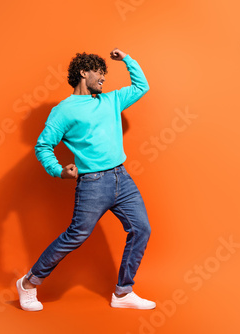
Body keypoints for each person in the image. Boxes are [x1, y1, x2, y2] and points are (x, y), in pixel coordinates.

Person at [16, 48, 155, 311]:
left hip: (122, 178)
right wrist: (58, 170)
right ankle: (28, 283)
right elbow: (43, 145)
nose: (103, 78)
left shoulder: (111, 100)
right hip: (93, 183)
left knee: (142, 229)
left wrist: (127, 59)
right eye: (99, 73)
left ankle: (123, 293)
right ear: (83, 72)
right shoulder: (64, 111)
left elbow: (141, 86)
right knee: (76, 236)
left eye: (105, 73)